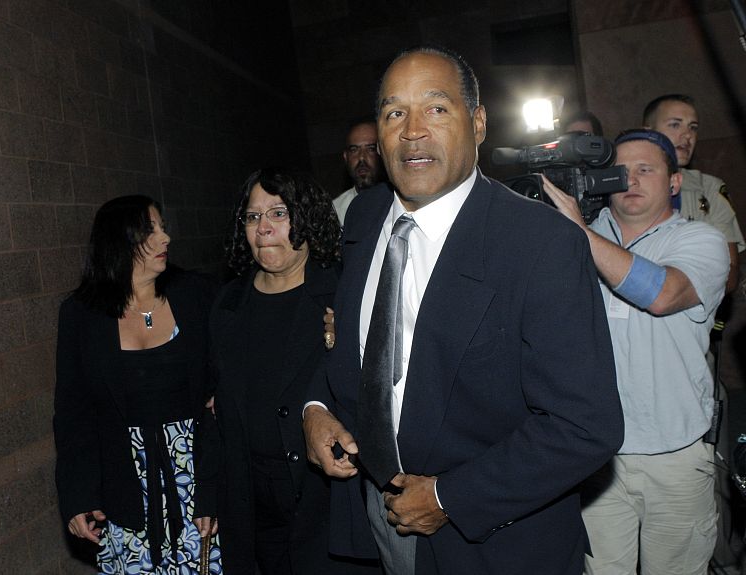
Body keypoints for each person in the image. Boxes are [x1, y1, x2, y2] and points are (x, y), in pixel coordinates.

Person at [303, 45, 624, 575]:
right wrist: (318, 408)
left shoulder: (540, 243)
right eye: (394, 112)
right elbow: (356, 339)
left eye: (436, 108)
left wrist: (451, 498)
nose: (412, 130)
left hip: (494, 542)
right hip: (379, 518)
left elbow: (585, 425)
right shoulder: (363, 218)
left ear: (477, 123)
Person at [542, 129, 730, 574]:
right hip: (597, 456)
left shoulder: (699, 241)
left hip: (675, 457)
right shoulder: (571, 231)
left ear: (674, 183)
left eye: (647, 170)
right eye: (619, 172)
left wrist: (577, 234)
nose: (630, 180)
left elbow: (663, 293)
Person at [194, 168, 380, 575]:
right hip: (250, 500)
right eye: (252, 216)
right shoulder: (227, 304)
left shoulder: (343, 295)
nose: (263, 228)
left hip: (324, 498)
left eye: (278, 214)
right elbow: (211, 406)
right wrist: (208, 493)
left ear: (307, 219)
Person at [54, 195, 222, 574]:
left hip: (198, 475)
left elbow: (230, 366)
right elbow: (73, 412)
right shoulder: (81, 315)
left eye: (163, 228)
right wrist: (78, 493)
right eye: (151, 230)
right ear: (119, 241)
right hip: (124, 483)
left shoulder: (197, 294)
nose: (165, 238)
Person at [643, 94, 744, 294]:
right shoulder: (627, 189)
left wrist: (676, 293)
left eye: (693, 127)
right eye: (675, 125)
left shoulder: (709, 189)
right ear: (649, 133)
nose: (687, 135)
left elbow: (730, 272)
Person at [332, 119, 385, 225]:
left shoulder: (403, 201)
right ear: (346, 157)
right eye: (354, 150)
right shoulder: (336, 211)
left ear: (383, 152)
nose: (361, 157)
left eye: (371, 149)